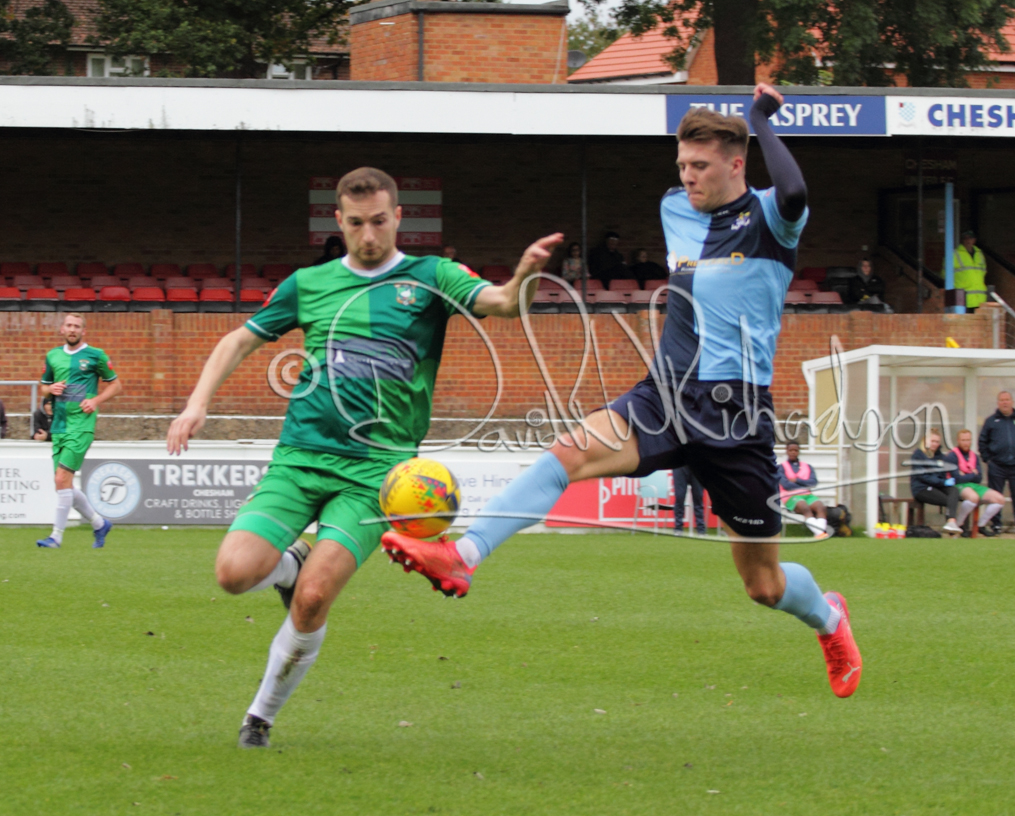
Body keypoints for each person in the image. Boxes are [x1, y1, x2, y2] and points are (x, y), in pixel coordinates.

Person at [382, 85, 863, 699]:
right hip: (666, 395)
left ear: (737, 164)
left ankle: (829, 617)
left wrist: (759, 119)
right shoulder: (674, 207)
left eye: (701, 165)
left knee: (763, 585)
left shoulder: (773, 219)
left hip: (736, 414)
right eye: (682, 165)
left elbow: (794, 192)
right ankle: (464, 555)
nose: (687, 176)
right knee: (568, 454)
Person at [165, 167, 563, 748]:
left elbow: (502, 303)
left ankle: (260, 717)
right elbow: (239, 339)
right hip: (301, 457)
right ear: (339, 221)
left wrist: (524, 276)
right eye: (356, 224)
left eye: (379, 221)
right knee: (233, 574)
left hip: (376, 473)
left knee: (313, 598)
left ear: (398, 217)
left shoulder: (432, 276)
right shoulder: (309, 283)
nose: (369, 235)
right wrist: (196, 404)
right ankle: (290, 564)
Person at [35, 313, 121, 550]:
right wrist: (50, 388)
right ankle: (99, 524)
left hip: (81, 425)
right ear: (62, 329)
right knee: (63, 484)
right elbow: (43, 388)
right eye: (69, 325)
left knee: (62, 479)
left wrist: (96, 401)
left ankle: (56, 537)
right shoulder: (53, 355)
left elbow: (116, 385)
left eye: (77, 326)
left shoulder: (96, 355)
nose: (72, 329)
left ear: (84, 331)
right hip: (59, 425)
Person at [979, 391, 1015, 536]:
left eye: (1007, 400)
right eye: (1002, 400)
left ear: (1012, 402)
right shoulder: (991, 421)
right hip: (997, 466)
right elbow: (982, 441)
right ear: (998, 403)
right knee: (996, 497)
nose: (1005, 402)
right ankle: (996, 525)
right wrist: (987, 459)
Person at [945, 429, 1006, 536]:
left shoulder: (974, 456)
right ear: (958, 440)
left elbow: (979, 478)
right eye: (963, 440)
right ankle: (959, 525)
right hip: (958, 486)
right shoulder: (952, 455)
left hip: (973, 485)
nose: (966, 443)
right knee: (973, 497)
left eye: (968, 440)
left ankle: (980, 525)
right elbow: (957, 478)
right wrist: (972, 474)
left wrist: (965, 474)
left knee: (1000, 499)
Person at [908, 428, 962, 535]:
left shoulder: (940, 457)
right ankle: (951, 526)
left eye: (937, 442)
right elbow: (923, 476)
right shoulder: (918, 455)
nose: (935, 444)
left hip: (936, 485)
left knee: (954, 491)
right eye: (932, 441)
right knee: (948, 500)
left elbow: (941, 474)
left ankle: (951, 523)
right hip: (921, 488)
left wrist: (946, 481)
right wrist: (942, 482)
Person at [777, 440, 830, 539]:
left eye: (795, 450)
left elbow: (813, 483)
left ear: (799, 451)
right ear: (786, 451)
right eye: (791, 450)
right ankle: (820, 533)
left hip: (807, 494)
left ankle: (819, 534)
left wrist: (797, 480)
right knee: (804, 507)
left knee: (820, 507)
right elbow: (786, 485)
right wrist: (804, 484)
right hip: (789, 496)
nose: (793, 452)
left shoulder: (807, 466)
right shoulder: (781, 467)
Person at [952, 230, 988, 311]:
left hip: (980, 298)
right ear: (962, 240)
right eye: (965, 238)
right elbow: (945, 274)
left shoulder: (979, 253)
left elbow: (983, 272)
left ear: (974, 240)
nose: (968, 240)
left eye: (970, 238)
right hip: (962, 298)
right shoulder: (955, 254)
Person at [672, 465, 707, 536]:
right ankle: (678, 528)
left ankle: (701, 530)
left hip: (697, 466)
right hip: (679, 466)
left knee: (698, 498)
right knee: (679, 497)